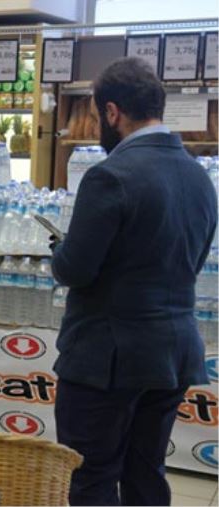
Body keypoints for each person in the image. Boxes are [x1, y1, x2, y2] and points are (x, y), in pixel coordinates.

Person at [50, 58, 217, 506]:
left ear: (111, 113)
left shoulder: (110, 176)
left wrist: (58, 252)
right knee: (146, 472)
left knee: (92, 476)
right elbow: (193, 261)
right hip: (173, 355)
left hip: (107, 359)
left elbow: (76, 269)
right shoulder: (199, 178)